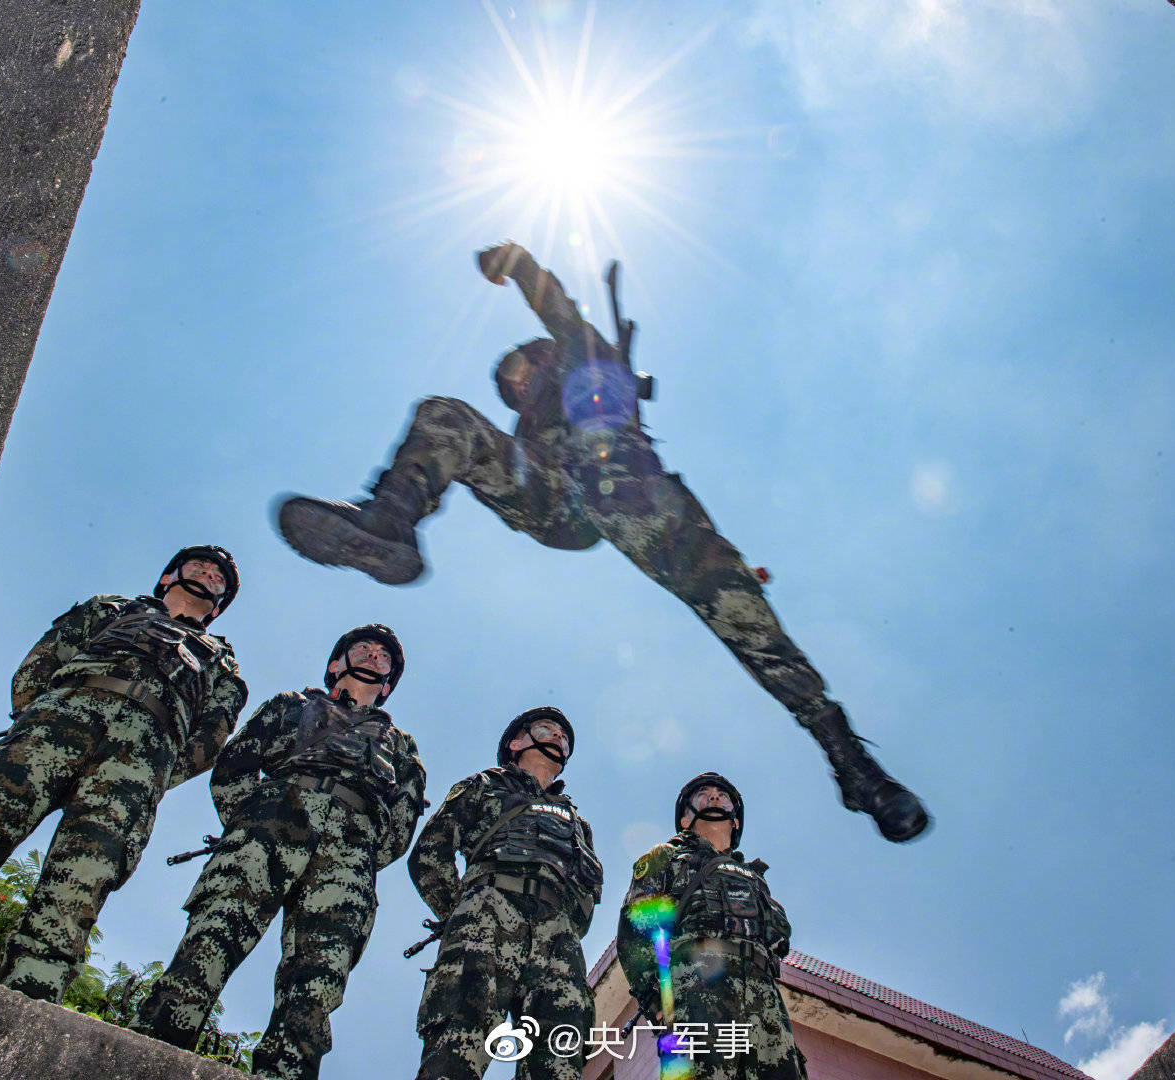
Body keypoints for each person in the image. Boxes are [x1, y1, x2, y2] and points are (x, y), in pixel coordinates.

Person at [276, 241, 927, 843]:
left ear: (544, 358)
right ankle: (389, 524)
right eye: (508, 387)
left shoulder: (585, 358)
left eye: (520, 373)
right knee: (445, 416)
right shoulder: (531, 429)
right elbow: (501, 450)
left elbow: (558, 305)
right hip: (556, 501)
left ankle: (851, 762)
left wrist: (520, 263)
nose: (516, 387)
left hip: (636, 494)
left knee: (750, 626)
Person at [0, 546, 247, 1002]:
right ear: (169, 576)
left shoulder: (223, 663)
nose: (209, 574)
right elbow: (41, 663)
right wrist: (41, 718)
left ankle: (27, 1002)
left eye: (218, 577)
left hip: (138, 762)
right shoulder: (109, 609)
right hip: (57, 723)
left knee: (80, 886)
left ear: (221, 602)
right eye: (199, 567)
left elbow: (208, 740)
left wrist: (154, 767)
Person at [133, 624, 425, 1080]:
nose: (372, 655)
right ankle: (144, 1061)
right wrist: (254, 822)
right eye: (362, 648)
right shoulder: (291, 705)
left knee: (315, 986)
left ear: (388, 682)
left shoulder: (402, 746)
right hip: (270, 826)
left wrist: (360, 852)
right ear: (335, 664)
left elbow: (400, 826)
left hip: (348, 857)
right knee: (209, 945)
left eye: (383, 656)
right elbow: (235, 767)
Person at [407, 706, 602, 1080]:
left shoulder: (578, 823)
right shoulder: (485, 784)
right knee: (458, 1041)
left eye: (564, 736)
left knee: (560, 1054)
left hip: (557, 936)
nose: (558, 737)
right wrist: (464, 912)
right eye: (546, 729)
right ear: (516, 743)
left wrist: (561, 928)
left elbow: (587, 893)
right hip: (487, 913)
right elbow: (431, 853)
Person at [618, 773, 806, 1080]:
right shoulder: (666, 857)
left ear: (736, 822)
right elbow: (635, 930)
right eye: (704, 794)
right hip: (694, 986)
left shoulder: (754, 879)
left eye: (723, 795)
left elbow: (777, 939)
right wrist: (656, 1000)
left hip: (762, 993)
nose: (715, 797)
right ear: (684, 818)